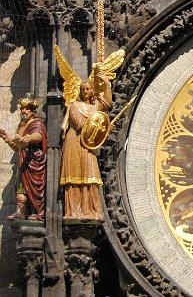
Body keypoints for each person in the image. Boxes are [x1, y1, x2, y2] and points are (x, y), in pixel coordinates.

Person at [59, 70, 112, 221]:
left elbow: (107, 103)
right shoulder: (75, 106)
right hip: (75, 142)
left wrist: (107, 85)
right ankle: (74, 211)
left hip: (88, 144)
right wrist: (101, 126)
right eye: (82, 89)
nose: (85, 91)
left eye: (88, 89)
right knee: (75, 176)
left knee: (91, 175)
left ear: (92, 90)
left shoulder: (95, 107)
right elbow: (81, 125)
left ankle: (91, 210)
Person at [0, 97, 46, 220]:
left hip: (33, 161)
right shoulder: (21, 125)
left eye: (27, 109)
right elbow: (18, 147)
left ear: (32, 111)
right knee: (21, 188)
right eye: (22, 108)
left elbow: (38, 136)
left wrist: (29, 138)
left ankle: (38, 212)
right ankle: (21, 212)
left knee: (35, 188)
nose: (23, 111)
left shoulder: (37, 123)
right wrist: (7, 139)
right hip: (23, 161)